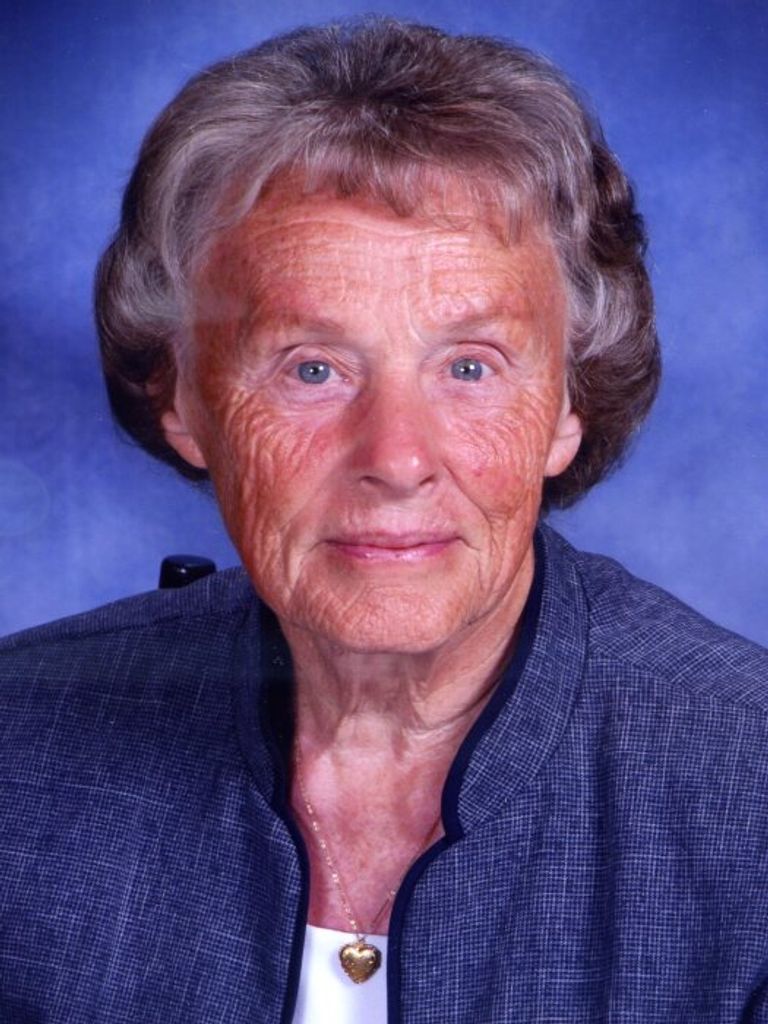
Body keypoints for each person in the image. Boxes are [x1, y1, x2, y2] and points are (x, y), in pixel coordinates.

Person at [1, 16, 766, 1024]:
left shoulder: (748, 791)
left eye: (470, 366)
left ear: (568, 406)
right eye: (313, 367)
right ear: (180, 396)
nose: (398, 458)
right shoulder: (19, 752)